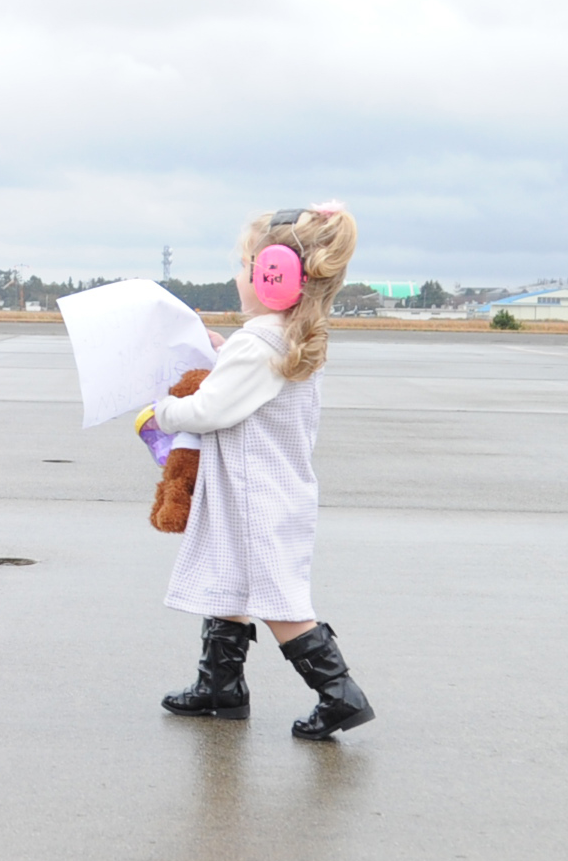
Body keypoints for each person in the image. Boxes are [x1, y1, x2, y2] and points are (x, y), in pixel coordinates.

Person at [145, 203, 375, 740]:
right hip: (269, 488)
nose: (237, 275)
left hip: (253, 495)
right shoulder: (284, 336)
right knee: (231, 582)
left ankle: (340, 694)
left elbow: (209, 410)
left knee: (277, 600)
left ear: (275, 276)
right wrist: (226, 352)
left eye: (247, 265)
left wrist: (163, 411)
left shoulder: (259, 342)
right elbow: (248, 383)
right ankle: (220, 686)